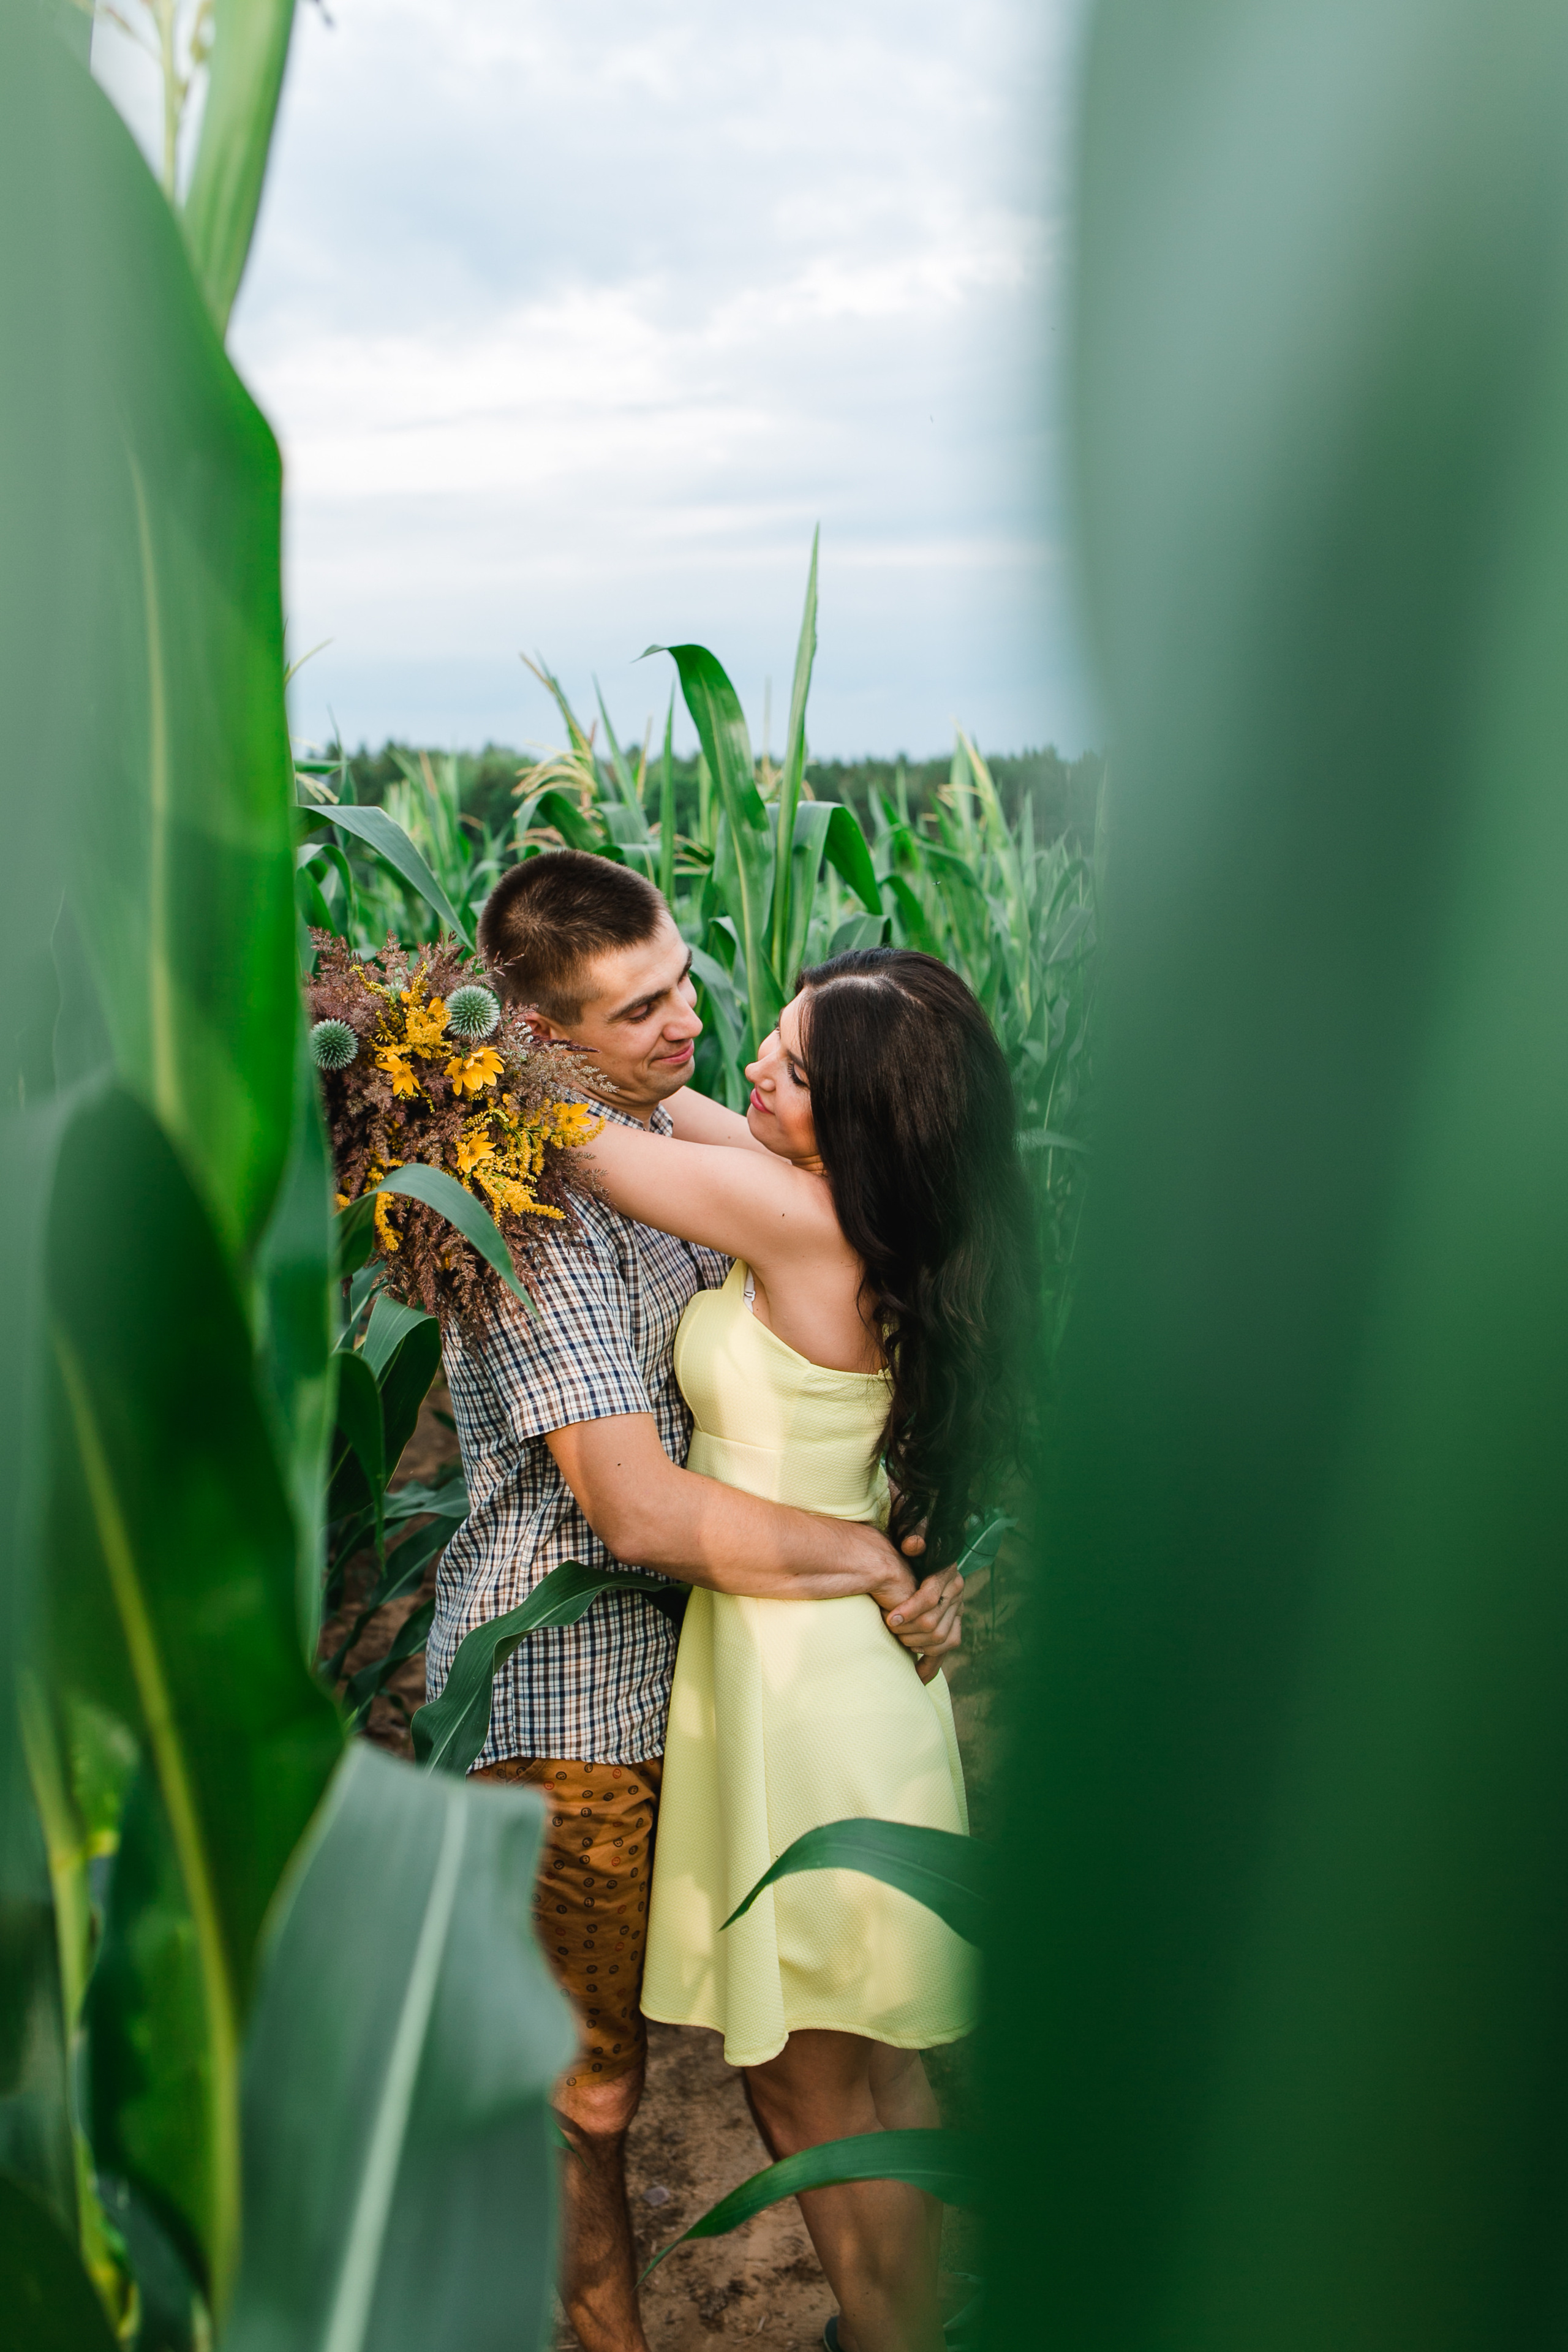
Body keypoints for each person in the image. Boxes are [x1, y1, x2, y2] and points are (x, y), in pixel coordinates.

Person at [424, 850, 964, 2352]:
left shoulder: (744, 1182)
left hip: (780, 1687)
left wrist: (451, 1075)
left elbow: (609, 1135)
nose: (698, 1034)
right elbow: (637, 1506)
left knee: (812, 2070)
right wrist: (877, 1556)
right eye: (641, 1006)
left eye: (686, 988)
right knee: (649, 2082)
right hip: (632, 1679)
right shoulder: (670, 1194)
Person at [579, 946, 1034, 2352]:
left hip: (798, 1696)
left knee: (806, 2090)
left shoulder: (787, 1223)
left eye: (790, 1064)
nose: (750, 1071)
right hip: (838, 1676)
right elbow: (683, 1108)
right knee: (869, 2068)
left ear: (850, 1120)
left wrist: (435, 1028)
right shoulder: (881, 1219)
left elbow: (574, 1126)